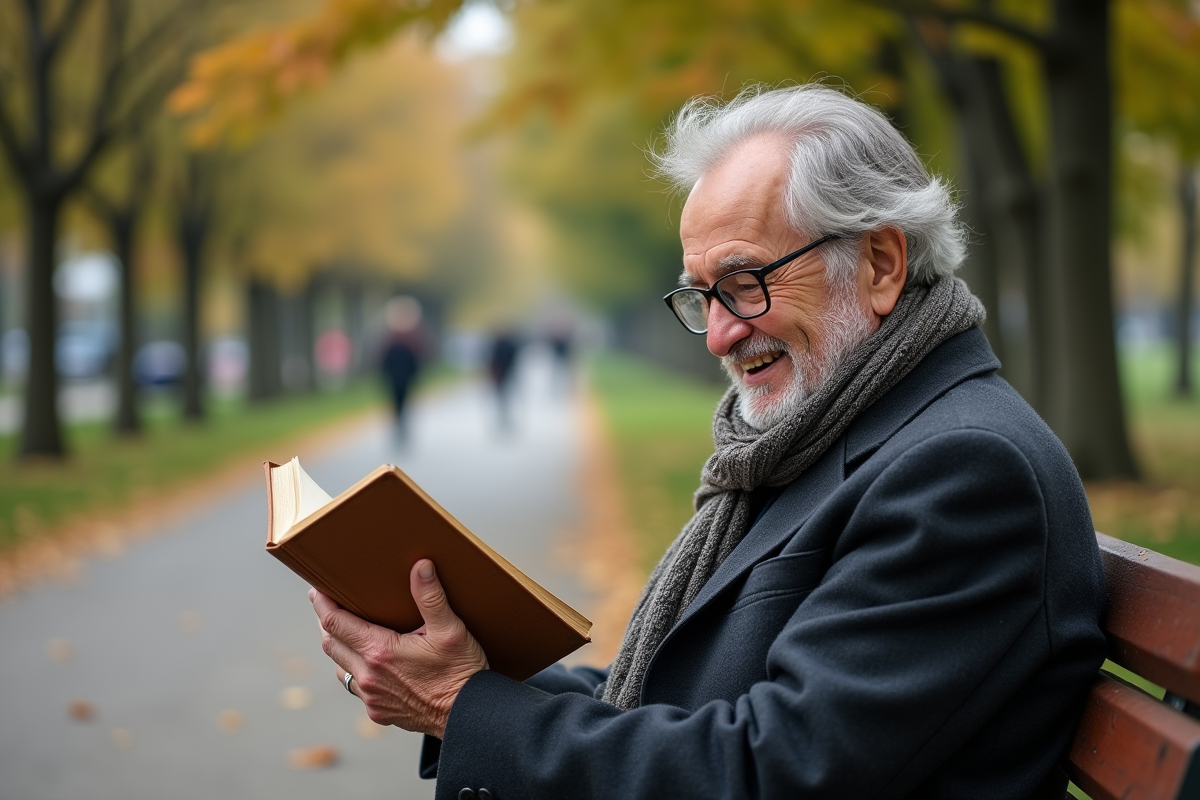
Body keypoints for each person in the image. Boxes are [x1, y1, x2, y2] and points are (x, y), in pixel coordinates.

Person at [310, 85, 1107, 799]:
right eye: (701, 296)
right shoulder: (839, 435)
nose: (720, 335)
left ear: (881, 263)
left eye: (745, 281)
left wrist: (464, 705)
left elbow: (770, 773)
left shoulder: (964, 472)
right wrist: (464, 676)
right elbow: (687, 716)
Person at [379, 296, 427, 444]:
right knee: (397, 404)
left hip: (404, 378)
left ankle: (402, 427)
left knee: (403, 404)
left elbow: (416, 362)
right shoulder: (391, 341)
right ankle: (399, 427)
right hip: (395, 379)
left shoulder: (410, 342)